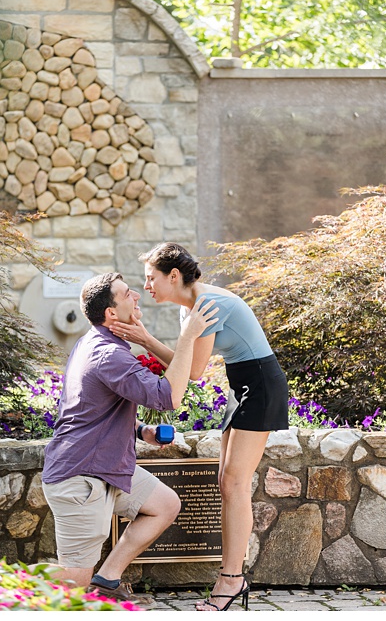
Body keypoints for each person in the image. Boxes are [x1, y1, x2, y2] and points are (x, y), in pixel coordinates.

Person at [109, 242, 289, 613]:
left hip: (259, 383)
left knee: (235, 483)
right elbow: (189, 363)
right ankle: (232, 577)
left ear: (173, 276)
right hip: (243, 384)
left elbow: (190, 373)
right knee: (227, 482)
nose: (147, 287)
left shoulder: (208, 306)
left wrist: (144, 339)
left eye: (151, 278)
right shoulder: (189, 308)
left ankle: (231, 580)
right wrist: (147, 339)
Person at [41, 272, 216, 606]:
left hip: (107, 467)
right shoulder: (110, 355)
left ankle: (106, 579)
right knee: (71, 584)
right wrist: (188, 336)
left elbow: (90, 409)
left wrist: (140, 431)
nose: (136, 295)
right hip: (81, 478)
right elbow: (168, 396)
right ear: (111, 313)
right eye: (126, 294)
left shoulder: (96, 343)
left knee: (164, 505)